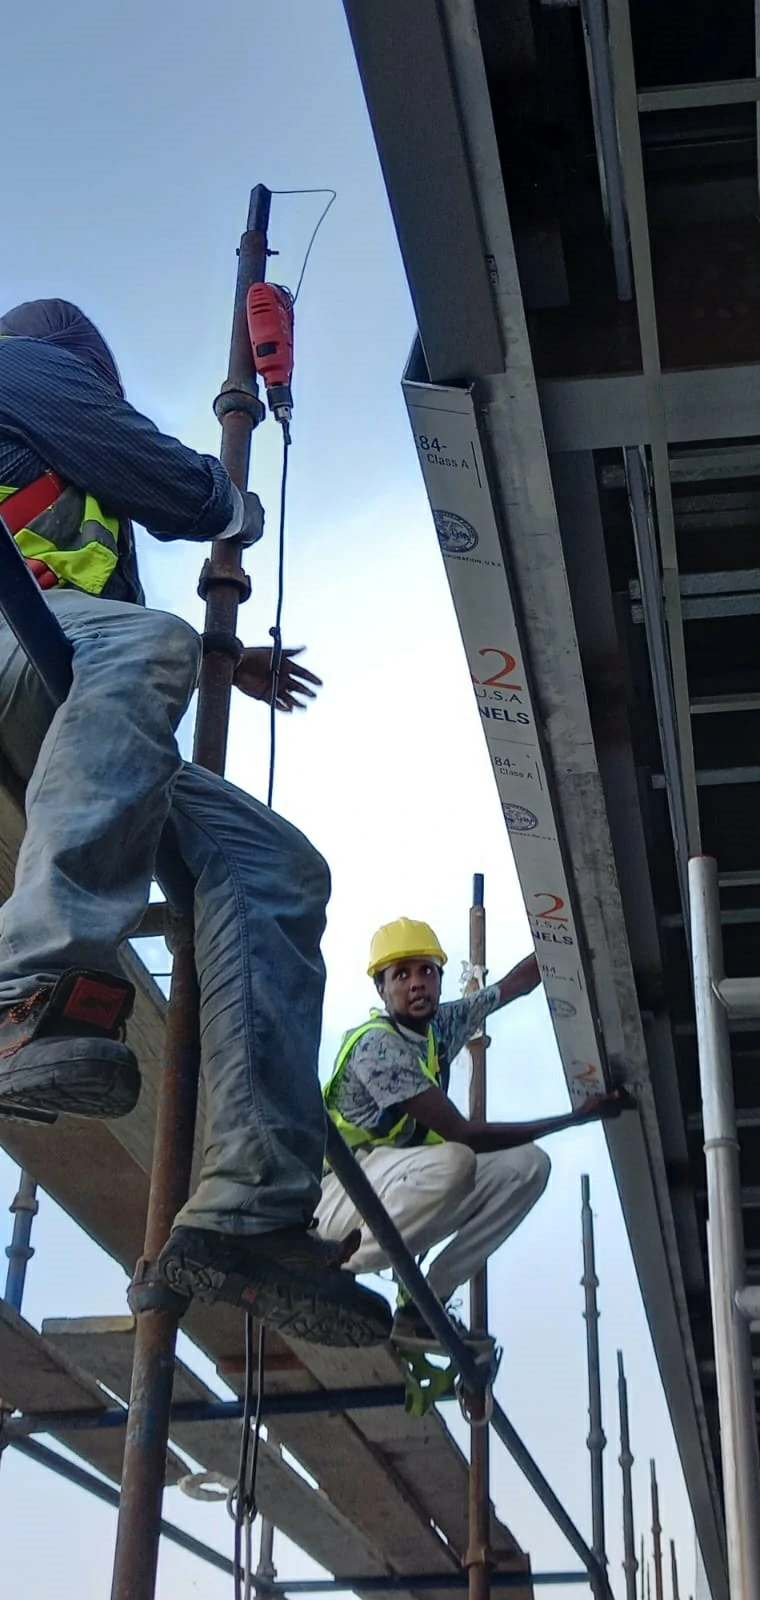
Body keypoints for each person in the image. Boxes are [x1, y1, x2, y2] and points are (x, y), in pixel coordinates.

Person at [0, 299, 391, 1347]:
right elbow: (186, 492)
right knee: (150, 643)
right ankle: (29, 988)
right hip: (12, 638)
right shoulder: (22, 364)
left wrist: (227, 659)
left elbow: (91, 651)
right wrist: (234, 505)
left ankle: (248, 1211)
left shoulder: (57, 473)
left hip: (35, 675)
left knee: (272, 867)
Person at [317, 917, 628, 1346]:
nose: (416, 983)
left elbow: (513, 986)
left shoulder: (439, 1027)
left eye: (426, 971)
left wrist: (568, 938)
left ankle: (423, 1302)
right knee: (457, 1159)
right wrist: (573, 1118)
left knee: (528, 1166)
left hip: (391, 1186)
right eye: (401, 974)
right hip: (336, 1199)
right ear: (381, 989)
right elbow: (463, 1135)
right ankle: (335, 1268)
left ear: (440, 979)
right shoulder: (378, 1047)